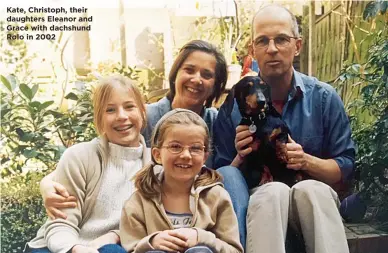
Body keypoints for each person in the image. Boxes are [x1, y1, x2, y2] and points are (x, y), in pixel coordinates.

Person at [214, 4, 355, 253]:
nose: (272, 49)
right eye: (263, 41)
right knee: (272, 192)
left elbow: (344, 169)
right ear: (252, 50)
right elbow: (221, 176)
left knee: (311, 190)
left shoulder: (323, 98)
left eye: (281, 39)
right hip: (262, 204)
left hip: (314, 203)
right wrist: (241, 155)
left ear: (297, 46)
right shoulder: (234, 104)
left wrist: (305, 161)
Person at [39, 39, 228, 219]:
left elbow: (226, 174)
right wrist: (46, 184)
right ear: (176, 73)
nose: (196, 79)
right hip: (145, 219)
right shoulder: (143, 117)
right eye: (189, 70)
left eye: (207, 74)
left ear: (216, 85)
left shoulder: (217, 122)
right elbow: (101, 156)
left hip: (199, 215)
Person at [24, 75, 151, 253]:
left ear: (143, 112)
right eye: (110, 110)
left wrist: (116, 234)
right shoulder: (79, 156)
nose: (122, 116)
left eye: (129, 107)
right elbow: (61, 222)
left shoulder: (156, 165)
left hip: (111, 247)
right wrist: (76, 249)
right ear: (99, 119)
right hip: (60, 245)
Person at [120, 109, 243, 253]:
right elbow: (130, 247)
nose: (186, 155)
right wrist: (151, 242)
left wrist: (201, 237)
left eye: (195, 148)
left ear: (204, 157)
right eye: (175, 147)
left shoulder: (217, 197)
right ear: (157, 155)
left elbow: (234, 250)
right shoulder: (139, 201)